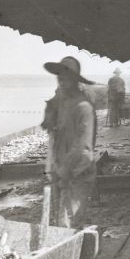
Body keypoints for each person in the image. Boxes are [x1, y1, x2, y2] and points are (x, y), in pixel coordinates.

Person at [43, 56, 97, 230]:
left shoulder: (84, 107)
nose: (61, 80)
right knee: (59, 223)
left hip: (78, 173)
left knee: (69, 223)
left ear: (75, 80)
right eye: (59, 77)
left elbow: (83, 148)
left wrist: (64, 171)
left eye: (66, 77)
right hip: (59, 170)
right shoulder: (62, 102)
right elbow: (52, 116)